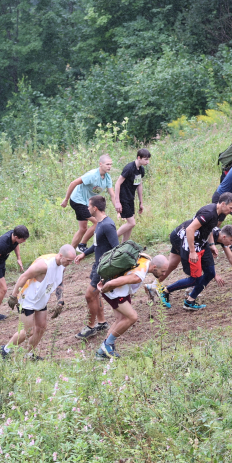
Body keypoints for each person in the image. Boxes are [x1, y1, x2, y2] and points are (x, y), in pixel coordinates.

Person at [155, 196, 232, 309]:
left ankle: (190, 301)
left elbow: (209, 229)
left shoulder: (218, 214)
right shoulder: (208, 213)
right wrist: (192, 251)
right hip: (191, 243)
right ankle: (165, 291)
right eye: (230, 208)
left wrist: (211, 244)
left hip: (202, 243)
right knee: (194, 278)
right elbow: (190, 229)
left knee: (210, 272)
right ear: (223, 204)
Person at [0, 245, 77, 360]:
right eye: (69, 260)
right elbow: (24, 276)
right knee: (28, 331)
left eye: (71, 261)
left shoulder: (62, 266)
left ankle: (29, 354)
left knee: (41, 327)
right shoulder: (43, 265)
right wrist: (13, 296)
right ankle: (6, 349)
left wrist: (60, 300)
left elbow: (59, 281)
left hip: (41, 298)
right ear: (61, 255)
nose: (70, 263)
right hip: (27, 299)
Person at [94, 254, 169, 359]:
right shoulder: (138, 276)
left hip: (121, 291)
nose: (164, 274)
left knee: (121, 319)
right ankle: (107, 345)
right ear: (154, 267)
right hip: (115, 292)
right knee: (132, 317)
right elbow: (117, 282)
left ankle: (103, 351)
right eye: (163, 271)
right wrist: (105, 288)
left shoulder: (146, 260)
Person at [74, 195, 117, 341]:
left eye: (89, 206)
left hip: (103, 267)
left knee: (89, 295)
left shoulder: (107, 225)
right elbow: (97, 244)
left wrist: (108, 270)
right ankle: (102, 323)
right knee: (95, 294)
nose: (87, 208)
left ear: (95, 208)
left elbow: (116, 248)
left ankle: (90, 327)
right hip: (97, 265)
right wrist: (84, 254)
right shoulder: (100, 223)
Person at [63, 154, 115, 252]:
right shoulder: (92, 175)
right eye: (107, 164)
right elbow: (73, 183)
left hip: (87, 203)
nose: (109, 166)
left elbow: (112, 195)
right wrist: (66, 199)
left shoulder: (107, 178)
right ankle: (82, 245)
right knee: (97, 222)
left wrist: (118, 208)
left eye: (111, 164)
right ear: (100, 164)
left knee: (83, 228)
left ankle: (70, 252)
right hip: (78, 200)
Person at [114, 149, 150, 241]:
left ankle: (124, 244)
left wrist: (141, 203)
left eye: (148, 159)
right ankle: (111, 239)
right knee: (131, 223)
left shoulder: (141, 169)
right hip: (123, 198)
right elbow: (117, 183)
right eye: (146, 159)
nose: (147, 162)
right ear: (139, 158)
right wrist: (117, 202)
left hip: (130, 198)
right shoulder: (129, 168)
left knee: (130, 224)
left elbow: (139, 185)